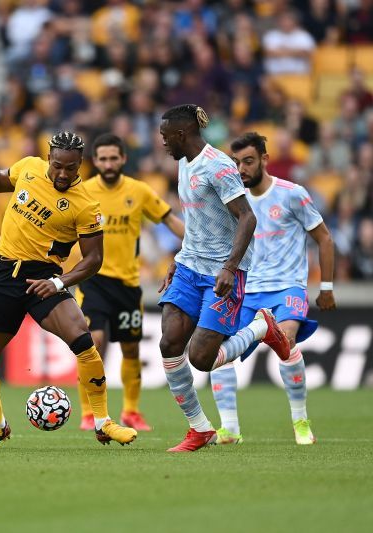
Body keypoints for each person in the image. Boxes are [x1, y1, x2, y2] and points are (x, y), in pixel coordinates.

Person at [0, 131, 138, 449]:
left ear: (80, 166)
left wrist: (58, 283)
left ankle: (103, 422)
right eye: (58, 165)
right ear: (48, 158)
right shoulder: (29, 167)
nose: (63, 173)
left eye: (71, 168)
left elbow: (94, 260)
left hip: (43, 279)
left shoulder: (86, 205)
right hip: (3, 274)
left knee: (84, 341)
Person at [156, 104, 290, 452]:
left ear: (182, 134)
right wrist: (178, 256)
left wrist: (230, 267)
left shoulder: (218, 167)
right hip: (189, 265)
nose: (162, 142)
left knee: (202, 359)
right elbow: (198, 221)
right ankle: (199, 429)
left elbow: (247, 218)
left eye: (165, 136)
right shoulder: (184, 164)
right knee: (169, 341)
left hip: (222, 271)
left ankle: (261, 327)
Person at [210, 132, 336, 446]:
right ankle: (230, 430)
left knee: (286, 338)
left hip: (287, 287)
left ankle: (301, 421)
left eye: (248, 161)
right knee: (218, 353)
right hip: (248, 290)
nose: (241, 169)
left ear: (265, 160)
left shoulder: (292, 194)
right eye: (236, 162)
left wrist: (327, 286)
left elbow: (324, 238)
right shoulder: (231, 202)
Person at [75, 133, 185, 432]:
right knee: (92, 343)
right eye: (102, 159)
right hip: (93, 281)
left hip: (128, 284)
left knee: (131, 349)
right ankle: (88, 413)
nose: (108, 164)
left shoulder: (139, 191)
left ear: (123, 159)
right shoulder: (82, 192)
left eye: (114, 158)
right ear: (94, 161)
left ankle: (131, 411)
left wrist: (197, 242)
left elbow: (168, 219)